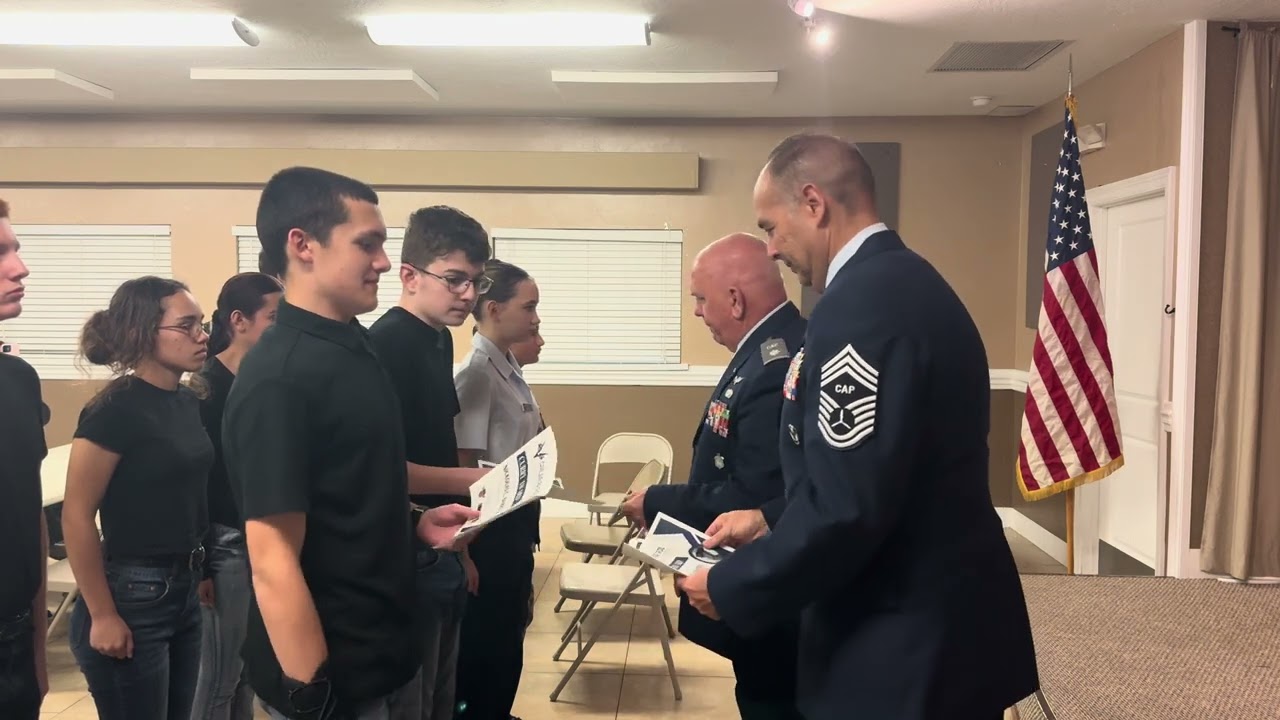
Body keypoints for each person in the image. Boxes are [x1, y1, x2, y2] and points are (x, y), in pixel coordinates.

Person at [679, 134, 1040, 720]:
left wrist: (733, 585)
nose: (771, 249)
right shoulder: (904, 281)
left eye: (771, 227)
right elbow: (882, 469)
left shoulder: (862, 307)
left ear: (813, 203)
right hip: (940, 613)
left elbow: (847, 507)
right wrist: (770, 518)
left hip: (904, 635)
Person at [221, 166, 478, 720]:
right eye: (367, 244)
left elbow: (350, 480)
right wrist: (312, 694)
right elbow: (272, 558)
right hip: (335, 683)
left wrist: (415, 522)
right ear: (303, 245)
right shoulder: (280, 377)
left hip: (388, 652)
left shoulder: (354, 347)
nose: (384, 261)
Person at [619, 232, 806, 720]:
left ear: (735, 300)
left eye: (701, 299)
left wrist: (657, 502)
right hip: (765, 583)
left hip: (771, 596)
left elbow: (756, 496)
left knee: (769, 699)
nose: (699, 312)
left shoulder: (774, 364)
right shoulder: (769, 347)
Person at [62, 276, 215, 720]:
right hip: (132, 593)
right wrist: (102, 614)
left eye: (202, 324)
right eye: (186, 326)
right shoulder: (115, 410)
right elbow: (76, 516)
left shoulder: (187, 400)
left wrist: (200, 568)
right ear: (142, 332)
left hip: (183, 587)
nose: (201, 336)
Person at [367, 205, 494, 720]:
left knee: (444, 692)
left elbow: (438, 439)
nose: (468, 294)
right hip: (407, 546)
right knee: (413, 700)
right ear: (409, 276)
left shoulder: (439, 338)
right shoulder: (384, 346)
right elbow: (384, 469)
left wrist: (464, 550)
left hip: (445, 540)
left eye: (477, 282)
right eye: (455, 279)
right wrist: (473, 479)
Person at [190, 272, 284, 720]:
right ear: (238, 321)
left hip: (260, 537)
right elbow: (199, 483)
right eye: (274, 317)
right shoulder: (205, 389)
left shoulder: (267, 378)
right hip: (224, 544)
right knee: (218, 679)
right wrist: (203, 564)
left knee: (249, 671)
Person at [452, 259, 542, 720]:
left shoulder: (507, 366)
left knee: (509, 634)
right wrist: (464, 552)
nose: (534, 318)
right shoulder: (476, 374)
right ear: (493, 309)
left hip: (517, 520)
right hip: (489, 529)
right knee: (486, 645)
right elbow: (464, 466)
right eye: (528, 307)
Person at [0, 198, 50, 720]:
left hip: (13, 641)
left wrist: (38, 648)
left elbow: (28, 512)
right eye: (0, 253)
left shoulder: (17, 380)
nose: (20, 267)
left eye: (14, 248)